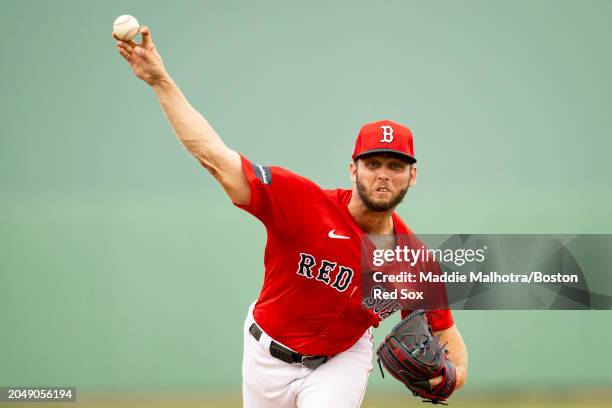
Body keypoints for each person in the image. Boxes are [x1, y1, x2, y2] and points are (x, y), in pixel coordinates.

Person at [114, 26, 468, 408]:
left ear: (412, 176)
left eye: (396, 165)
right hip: (266, 356)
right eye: (374, 163)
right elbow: (215, 158)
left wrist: (454, 376)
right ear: (353, 169)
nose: (383, 174)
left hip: (342, 360)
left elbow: (446, 331)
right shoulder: (301, 202)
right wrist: (160, 81)